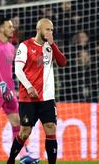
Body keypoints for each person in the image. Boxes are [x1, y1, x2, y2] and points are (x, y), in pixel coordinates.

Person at [0, 17, 39, 164]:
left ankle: (23, 155)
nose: (12, 29)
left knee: (17, 122)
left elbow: (11, 70)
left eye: (12, 27)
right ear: (1, 29)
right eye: (9, 27)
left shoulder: (11, 47)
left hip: (9, 92)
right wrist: (3, 87)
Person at [7, 18, 67, 164]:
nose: (50, 32)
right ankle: (10, 160)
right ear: (39, 29)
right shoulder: (25, 46)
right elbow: (18, 70)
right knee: (24, 132)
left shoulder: (49, 47)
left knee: (50, 128)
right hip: (28, 98)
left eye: (52, 30)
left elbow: (63, 62)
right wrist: (28, 86)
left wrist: (52, 44)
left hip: (47, 97)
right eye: (47, 29)